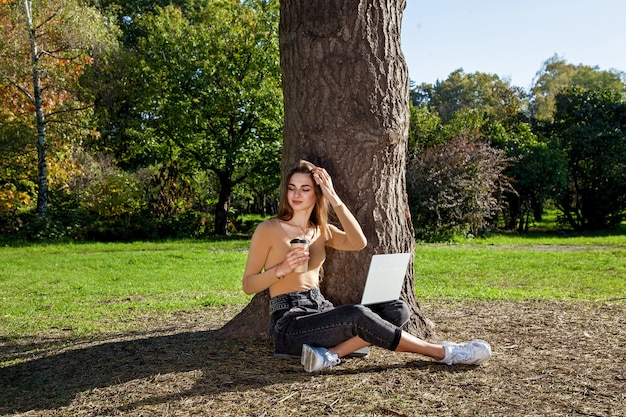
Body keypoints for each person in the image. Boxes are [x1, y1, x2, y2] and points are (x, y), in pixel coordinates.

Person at [242, 160, 491, 372]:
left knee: (397, 310)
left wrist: (334, 198)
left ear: (317, 193)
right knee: (358, 316)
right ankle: (443, 353)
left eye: (305, 189)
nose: (296, 195)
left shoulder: (322, 231)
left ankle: (330, 356)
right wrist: (280, 270)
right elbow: (248, 284)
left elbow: (358, 242)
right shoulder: (268, 229)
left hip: (320, 308)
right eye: (292, 188)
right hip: (290, 321)